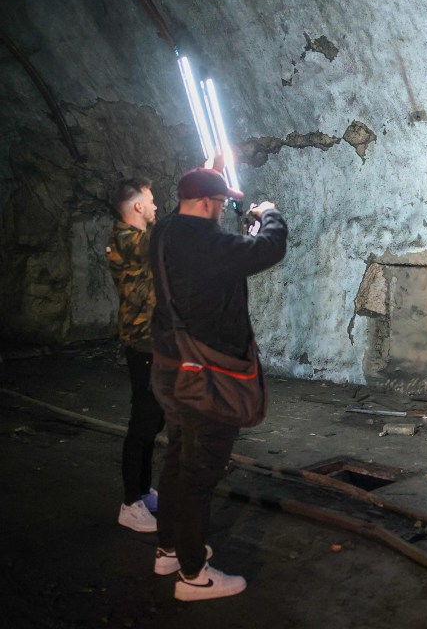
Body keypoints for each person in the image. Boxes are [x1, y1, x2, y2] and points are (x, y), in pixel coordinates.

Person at [149, 168, 287, 602]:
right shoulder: (207, 242)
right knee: (199, 472)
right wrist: (270, 214)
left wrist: (209, 174)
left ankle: (169, 548)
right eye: (222, 203)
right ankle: (193, 575)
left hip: (169, 367)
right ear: (209, 203)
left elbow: (206, 227)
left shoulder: (165, 230)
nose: (223, 209)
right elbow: (269, 248)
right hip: (205, 376)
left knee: (177, 456)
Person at [106, 177, 165, 533]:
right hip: (142, 342)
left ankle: (142, 490)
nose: (156, 206)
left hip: (153, 341)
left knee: (154, 419)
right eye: (151, 200)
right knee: (143, 422)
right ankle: (130, 503)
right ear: (138, 207)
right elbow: (165, 239)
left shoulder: (138, 240)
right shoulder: (126, 239)